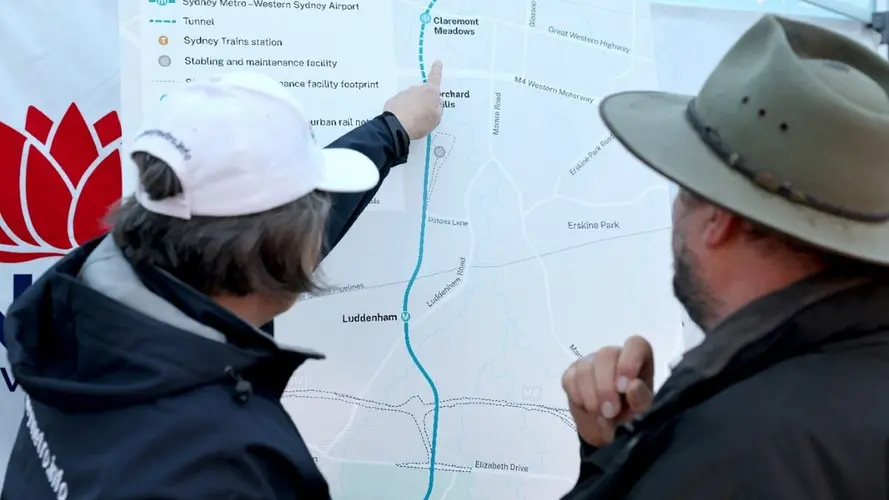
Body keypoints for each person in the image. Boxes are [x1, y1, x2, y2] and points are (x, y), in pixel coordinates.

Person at [1, 63, 444, 499]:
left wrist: (392, 131)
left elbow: (249, 224)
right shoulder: (231, 465)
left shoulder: (82, 316)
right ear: (278, 252)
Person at [560, 15, 889, 499]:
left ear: (719, 218)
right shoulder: (851, 384)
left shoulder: (740, 447)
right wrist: (635, 448)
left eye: (685, 183)